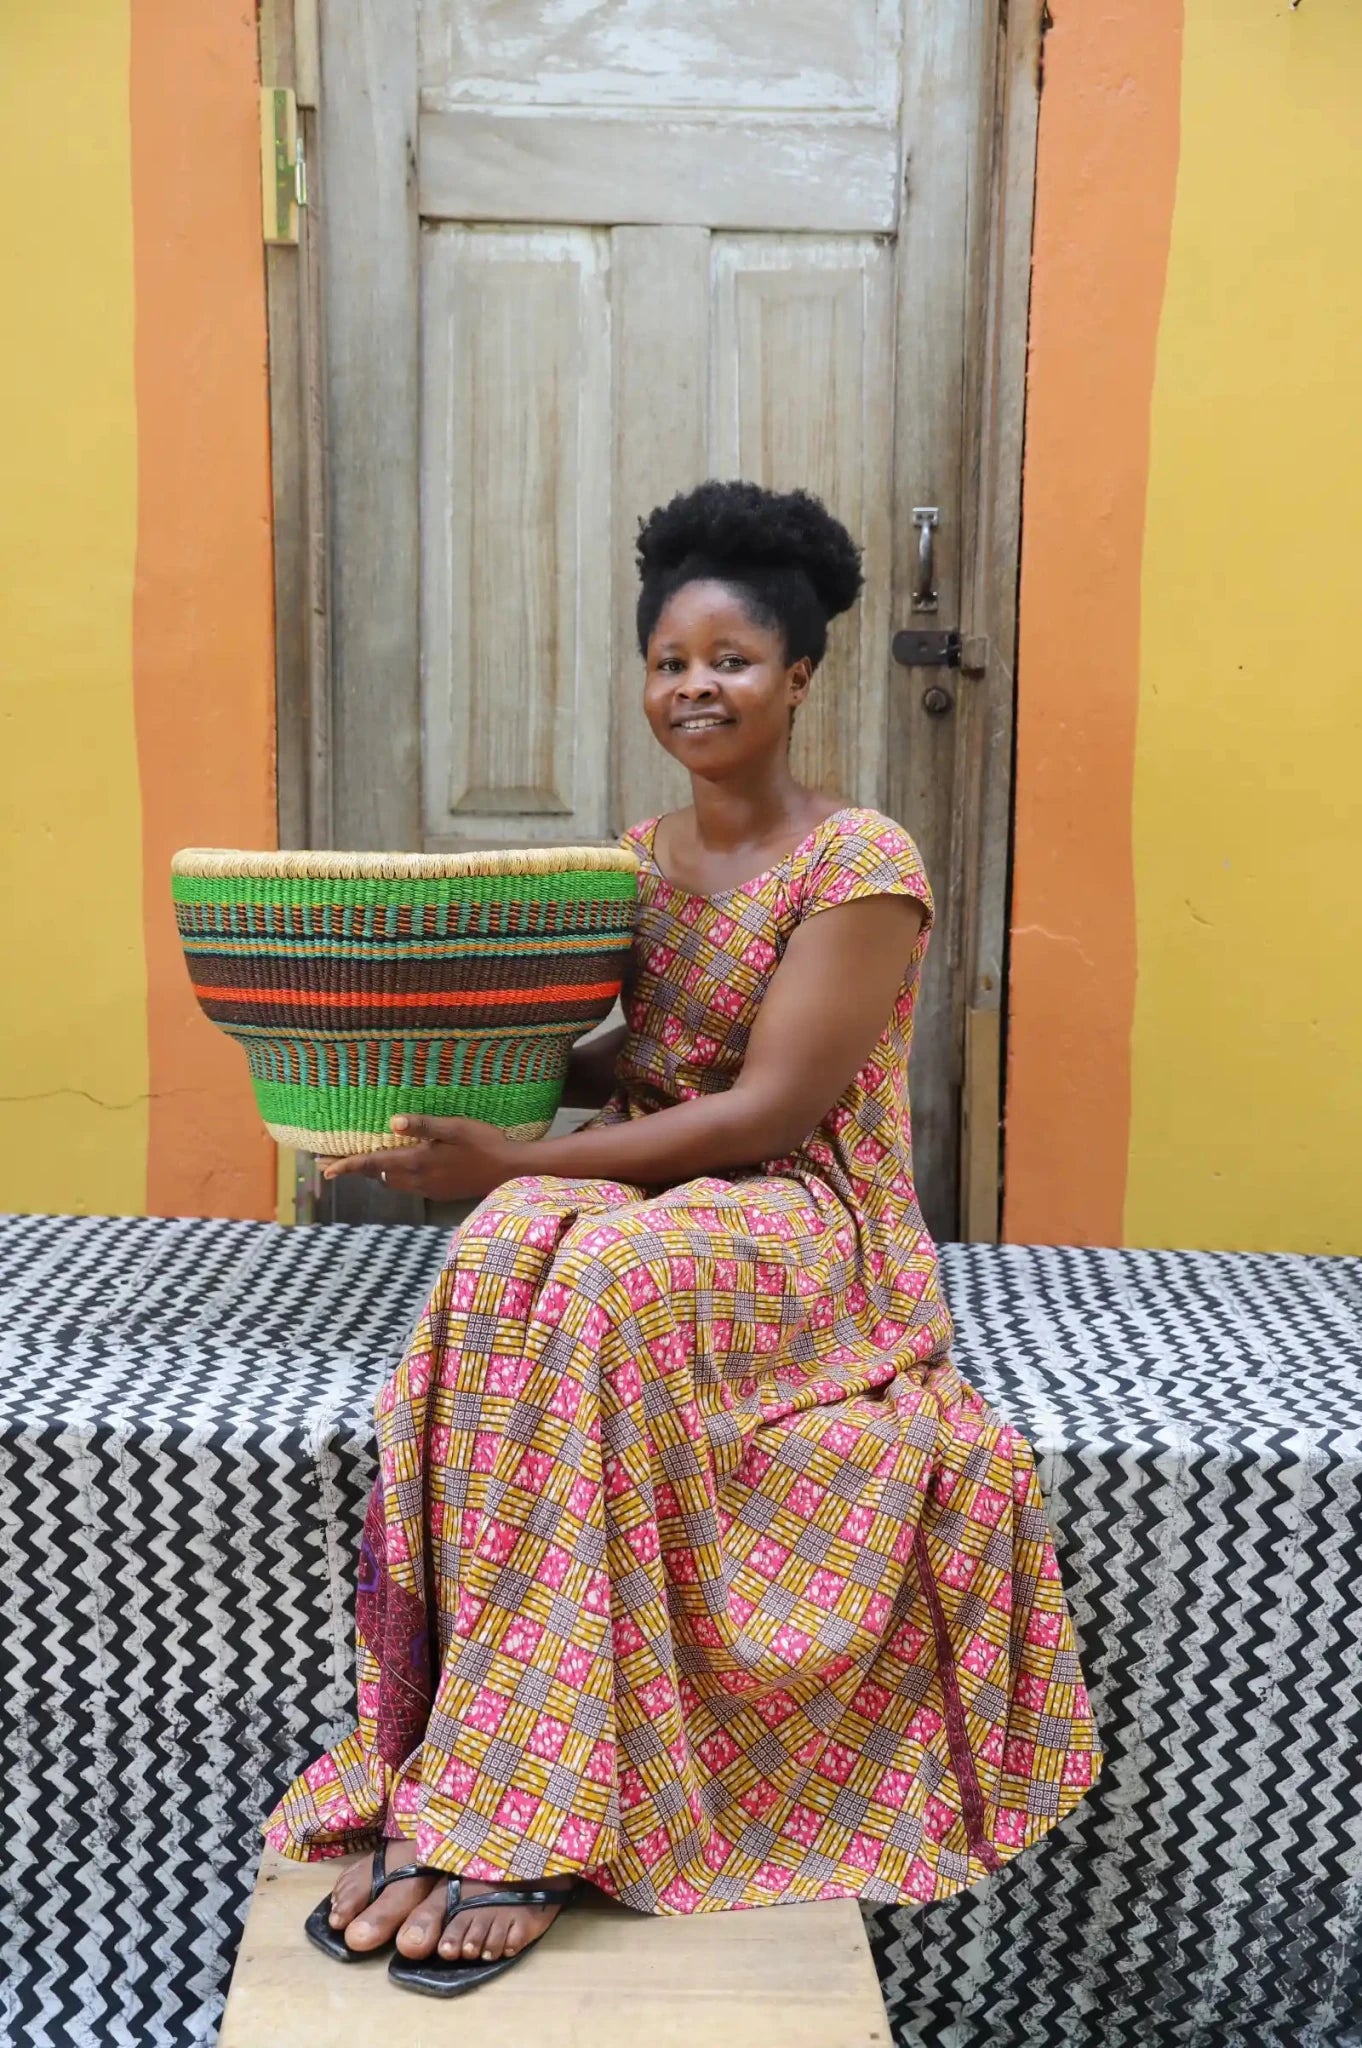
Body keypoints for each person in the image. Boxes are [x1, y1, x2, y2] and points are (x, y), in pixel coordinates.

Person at [265, 479, 1100, 1999]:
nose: (694, 687)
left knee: (595, 1274)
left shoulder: (860, 865)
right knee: (503, 1252)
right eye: (669, 661)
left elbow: (766, 1108)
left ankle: (528, 1813)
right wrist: (453, 1092)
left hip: (802, 1211)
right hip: (658, 1181)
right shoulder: (640, 858)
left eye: (730, 659)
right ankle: (465, 1753)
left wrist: (526, 1155)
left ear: (798, 675)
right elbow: (620, 1061)